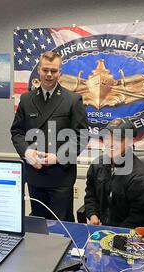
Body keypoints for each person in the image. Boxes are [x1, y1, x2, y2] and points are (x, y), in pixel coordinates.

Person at [10, 51, 88, 222]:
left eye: (54, 71)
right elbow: (17, 132)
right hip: (35, 174)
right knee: (38, 226)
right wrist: (26, 152)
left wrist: (59, 157)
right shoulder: (26, 99)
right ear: (39, 70)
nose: (49, 75)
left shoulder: (72, 100)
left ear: (60, 72)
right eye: (45, 70)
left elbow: (81, 137)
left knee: (61, 227)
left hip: (60, 176)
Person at [84, 118, 144, 228]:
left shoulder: (141, 179)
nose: (110, 144)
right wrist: (93, 215)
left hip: (127, 234)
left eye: (118, 139)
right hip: (101, 229)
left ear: (131, 141)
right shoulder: (96, 166)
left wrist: (113, 234)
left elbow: (139, 219)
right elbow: (91, 195)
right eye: (107, 138)